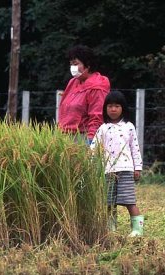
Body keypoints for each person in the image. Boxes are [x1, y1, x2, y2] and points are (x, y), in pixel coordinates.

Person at [90, 91, 144, 237]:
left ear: (123, 108)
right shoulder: (103, 128)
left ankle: (137, 229)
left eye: (117, 106)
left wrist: (137, 167)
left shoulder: (129, 126)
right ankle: (111, 229)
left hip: (126, 169)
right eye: (110, 106)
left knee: (129, 200)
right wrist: (90, 165)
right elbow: (94, 149)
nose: (113, 109)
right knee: (109, 202)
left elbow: (135, 148)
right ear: (105, 109)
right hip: (107, 171)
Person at [58, 45, 110, 144]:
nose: (72, 67)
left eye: (76, 64)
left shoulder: (97, 86)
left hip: (83, 137)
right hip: (65, 135)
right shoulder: (73, 82)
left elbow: (97, 116)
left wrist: (91, 141)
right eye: (71, 64)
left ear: (88, 65)